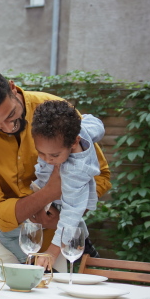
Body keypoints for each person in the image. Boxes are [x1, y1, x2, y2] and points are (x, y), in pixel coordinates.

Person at [0, 63, 111, 268]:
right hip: (7, 243)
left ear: (12, 88)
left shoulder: (54, 110)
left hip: (61, 243)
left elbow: (100, 176)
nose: (8, 127)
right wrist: (48, 193)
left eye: (11, 115)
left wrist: (67, 215)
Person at [29, 100, 103, 266]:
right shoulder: (82, 130)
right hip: (50, 195)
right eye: (40, 152)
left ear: (74, 142)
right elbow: (97, 125)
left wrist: (52, 252)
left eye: (54, 156)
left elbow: (71, 213)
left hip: (63, 205)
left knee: (71, 223)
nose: (48, 159)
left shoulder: (74, 171)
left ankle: (85, 248)